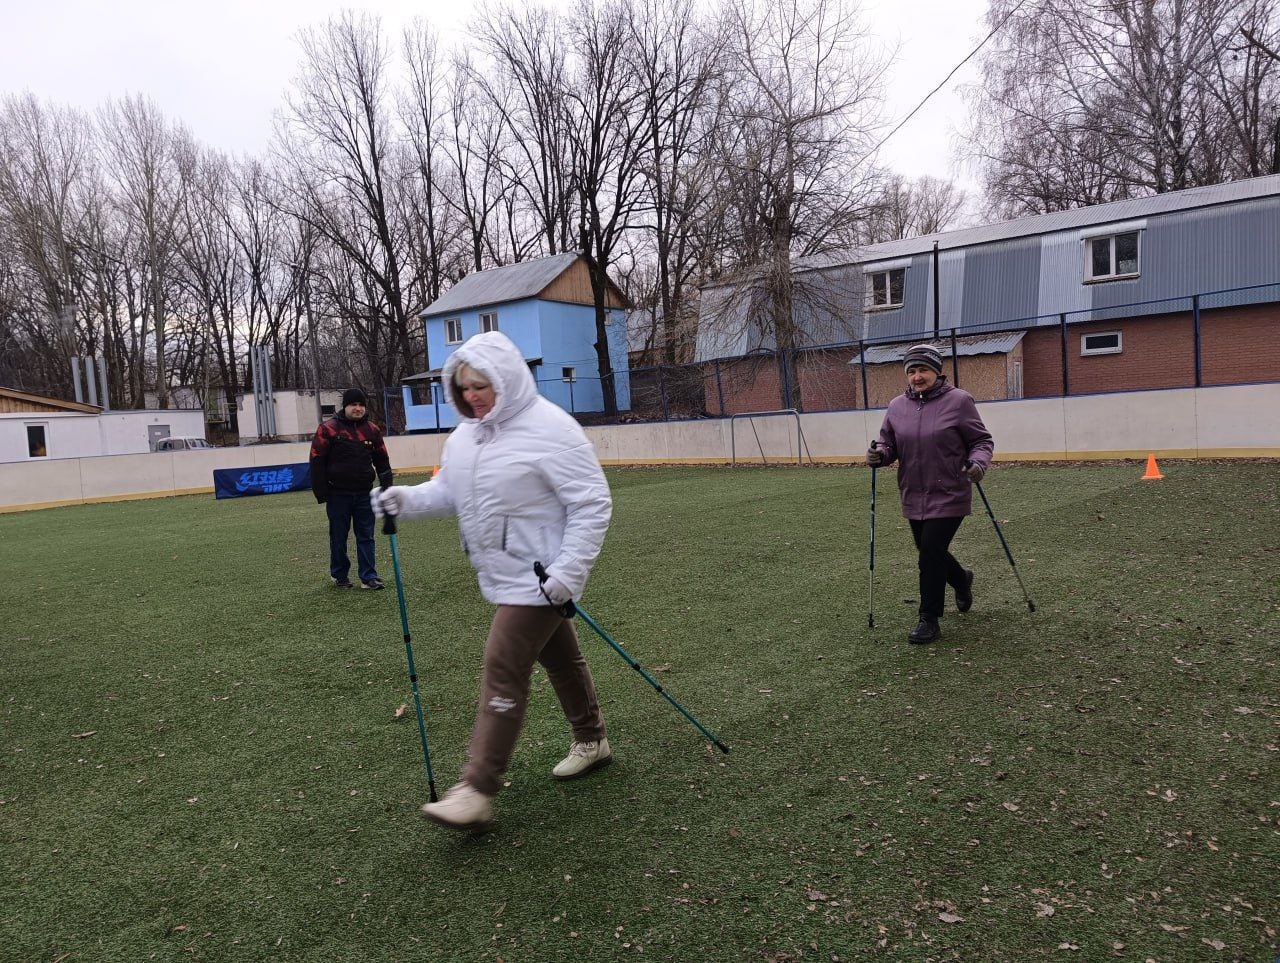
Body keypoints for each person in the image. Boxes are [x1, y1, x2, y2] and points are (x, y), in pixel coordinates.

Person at [371, 331, 613, 830]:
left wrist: (568, 572)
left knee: (503, 664)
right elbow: (450, 490)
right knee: (560, 657)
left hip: (543, 577)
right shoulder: (466, 437)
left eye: (481, 384)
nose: (472, 395)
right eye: (463, 387)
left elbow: (591, 503)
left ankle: (477, 788)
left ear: (505, 378)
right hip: (505, 575)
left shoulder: (551, 428)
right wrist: (406, 500)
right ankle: (592, 739)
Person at [866, 344, 994, 644]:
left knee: (930, 551)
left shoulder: (959, 401)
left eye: (923, 370)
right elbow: (888, 445)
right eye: (911, 371)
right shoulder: (897, 406)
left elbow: (982, 441)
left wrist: (978, 463)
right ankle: (962, 579)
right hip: (913, 492)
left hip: (950, 490)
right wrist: (879, 455)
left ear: (937, 372)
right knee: (927, 549)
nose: (917, 377)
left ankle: (929, 618)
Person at [310, 387, 393, 590]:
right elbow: (316, 461)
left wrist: (387, 487)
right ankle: (339, 575)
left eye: (361, 405)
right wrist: (322, 493)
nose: (357, 408)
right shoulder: (328, 429)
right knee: (338, 536)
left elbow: (382, 460)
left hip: (365, 493)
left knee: (366, 535)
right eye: (353, 404)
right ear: (345, 406)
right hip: (337, 494)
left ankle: (368, 577)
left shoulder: (372, 430)